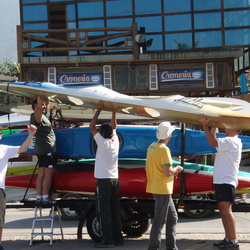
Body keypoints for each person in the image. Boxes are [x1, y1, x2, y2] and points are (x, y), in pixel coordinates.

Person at [198, 113, 242, 249]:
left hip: (226, 180)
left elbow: (212, 142)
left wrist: (205, 126)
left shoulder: (232, 141)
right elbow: (214, 141)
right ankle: (228, 238)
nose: (225, 129)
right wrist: (214, 125)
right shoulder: (229, 142)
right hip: (222, 180)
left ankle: (233, 240)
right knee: (223, 210)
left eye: (227, 127)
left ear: (233, 129)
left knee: (226, 210)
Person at [89, 102, 124, 248]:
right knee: (115, 210)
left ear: (102, 134)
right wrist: (114, 112)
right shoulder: (114, 141)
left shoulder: (102, 143)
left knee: (104, 212)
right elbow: (114, 126)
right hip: (115, 181)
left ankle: (108, 241)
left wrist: (98, 111)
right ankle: (118, 239)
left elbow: (91, 127)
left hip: (103, 181)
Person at [145, 122, 183, 250]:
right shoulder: (164, 149)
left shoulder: (152, 146)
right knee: (160, 220)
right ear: (169, 135)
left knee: (172, 217)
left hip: (156, 186)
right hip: (163, 188)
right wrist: (177, 169)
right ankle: (154, 247)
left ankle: (171, 246)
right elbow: (168, 172)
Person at [0, 125, 37, 250]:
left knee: (0, 218)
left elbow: (23, 148)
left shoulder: (4, 149)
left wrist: (31, 134)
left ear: (0, 136)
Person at [30, 96, 57, 205]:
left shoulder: (38, 115)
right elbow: (38, 119)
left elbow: (41, 116)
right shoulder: (36, 116)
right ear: (36, 106)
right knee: (48, 173)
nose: (44, 105)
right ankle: (45, 197)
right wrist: (40, 108)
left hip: (42, 148)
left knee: (41, 173)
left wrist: (47, 106)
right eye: (41, 104)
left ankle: (40, 197)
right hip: (47, 149)